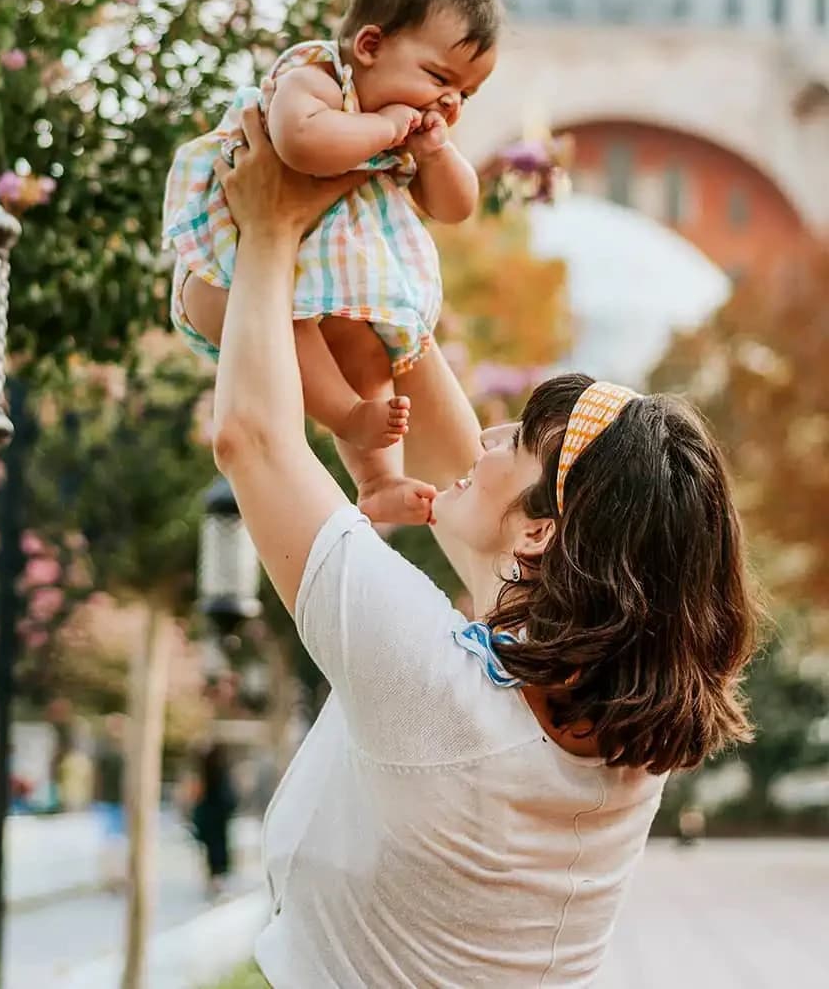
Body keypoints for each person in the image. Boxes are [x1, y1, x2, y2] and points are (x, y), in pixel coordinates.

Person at [208, 107, 762, 987]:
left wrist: (271, 228)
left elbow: (253, 440)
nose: (490, 432)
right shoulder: (599, 721)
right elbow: (465, 472)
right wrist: (381, 265)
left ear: (542, 532)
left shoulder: (435, 694)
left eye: (522, 440)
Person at [164, 0, 500, 527]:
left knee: (370, 349)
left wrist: (436, 152)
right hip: (228, 277)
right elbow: (301, 145)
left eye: (465, 93)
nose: (448, 101)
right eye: (439, 77)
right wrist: (383, 126)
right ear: (369, 47)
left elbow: (457, 205)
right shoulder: (316, 77)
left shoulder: (412, 134)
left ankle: (378, 479)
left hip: (315, 290)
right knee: (294, 330)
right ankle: (344, 415)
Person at [191, 743, 238, 899]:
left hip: (212, 816)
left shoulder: (211, 774)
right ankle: (217, 880)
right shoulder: (218, 774)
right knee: (217, 848)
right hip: (216, 817)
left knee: (214, 849)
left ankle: (216, 880)